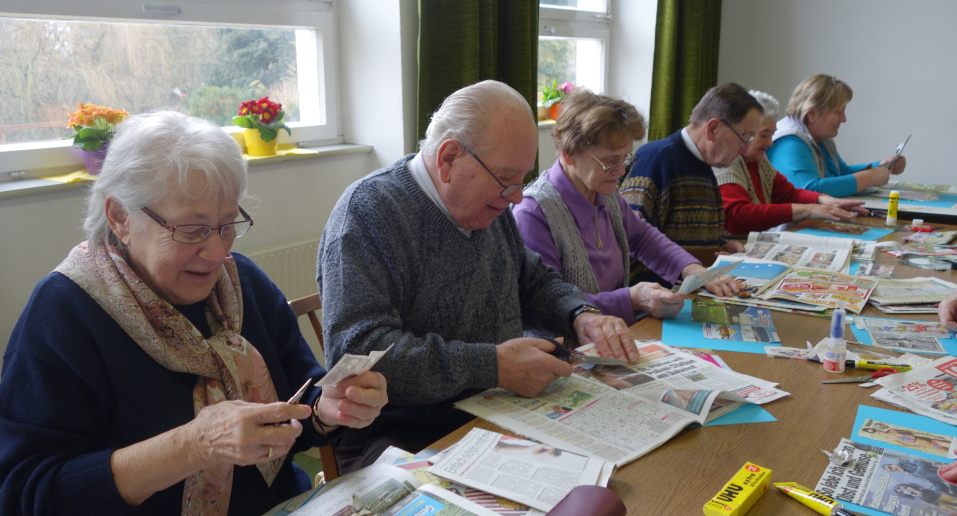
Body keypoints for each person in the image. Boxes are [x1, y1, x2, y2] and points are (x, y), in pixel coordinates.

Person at [0, 112, 389, 516]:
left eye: (227, 225)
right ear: (120, 217)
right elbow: (25, 500)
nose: (217, 253)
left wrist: (329, 408)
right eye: (192, 230)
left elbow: (298, 401)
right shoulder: (65, 314)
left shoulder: (242, 283)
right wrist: (191, 446)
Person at [318, 80, 637, 474]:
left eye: (522, 179)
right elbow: (358, 355)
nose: (518, 197)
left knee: (616, 478)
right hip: (404, 434)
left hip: (496, 410)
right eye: (507, 178)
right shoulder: (368, 213)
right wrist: (493, 365)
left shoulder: (489, 203)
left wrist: (579, 314)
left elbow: (532, 279)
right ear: (449, 158)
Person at [513, 89, 739, 326]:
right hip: (566, 342)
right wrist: (632, 299)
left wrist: (691, 268)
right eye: (610, 161)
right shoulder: (534, 214)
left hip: (615, 329)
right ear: (569, 153)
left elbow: (642, 237)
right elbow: (548, 304)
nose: (621, 171)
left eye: (625, 158)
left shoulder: (603, 191)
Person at [619, 82, 758, 284]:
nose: (745, 149)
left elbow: (686, 236)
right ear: (713, 128)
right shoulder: (656, 160)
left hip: (693, 285)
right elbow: (628, 248)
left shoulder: (703, 163)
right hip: (659, 295)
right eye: (744, 137)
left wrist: (719, 246)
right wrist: (694, 269)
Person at [715, 90, 868, 236]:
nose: (770, 143)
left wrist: (825, 200)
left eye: (771, 134)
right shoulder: (727, 160)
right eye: (764, 135)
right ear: (744, 130)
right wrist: (808, 209)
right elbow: (737, 217)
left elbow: (789, 194)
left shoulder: (757, 158)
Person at [768, 74, 906, 197]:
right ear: (812, 113)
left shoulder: (821, 137)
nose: (844, 119)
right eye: (838, 112)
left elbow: (841, 172)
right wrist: (869, 177)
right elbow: (811, 190)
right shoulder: (789, 141)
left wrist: (881, 166)